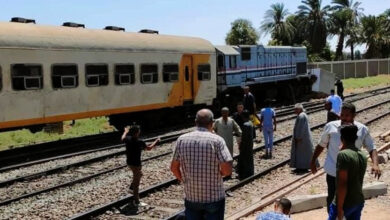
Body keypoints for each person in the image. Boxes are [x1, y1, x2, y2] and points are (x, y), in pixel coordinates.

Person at [310, 102, 381, 212]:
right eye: (342, 115)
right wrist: (313, 160)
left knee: (351, 201)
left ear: (354, 115)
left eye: (347, 115)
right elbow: (321, 145)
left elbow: (372, 148)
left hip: (353, 174)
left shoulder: (362, 129)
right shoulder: (331, 127)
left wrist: (375, 164)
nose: (343, 118)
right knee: (332, 200)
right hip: (334, 172)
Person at [170, 109, 233, 220]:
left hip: (191, 198)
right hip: (213, 198)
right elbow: (227, 170)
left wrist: (183, 180)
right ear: (212, 123)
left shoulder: (181, 140)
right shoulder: (217, 140)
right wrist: (218, 174)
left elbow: (174, 168)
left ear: (195, 122)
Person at [328, 124, 367, 220]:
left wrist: (340, 208)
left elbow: (342, 183)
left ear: (342, 138)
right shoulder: (362, 155)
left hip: (345, 203)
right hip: (358, 201)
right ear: (355, 138)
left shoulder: (343, 155)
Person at [121, 125, 160, 207]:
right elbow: (149, 148)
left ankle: (131, 189)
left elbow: (122, 138)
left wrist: (125, 131)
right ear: (137, 132)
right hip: (136, 164)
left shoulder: (128, 139)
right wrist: (156, 141)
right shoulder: (140, 141)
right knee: (136, 184)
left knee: (139, 175)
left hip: (130, 163)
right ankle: (137, 201)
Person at [290, 104, 315, 173]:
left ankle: (302, 167)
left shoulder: (301, 116)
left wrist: (299, 137)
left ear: (300, 109)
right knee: (303, 153)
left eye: (295, 109)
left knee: (301, 153)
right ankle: (301, 167)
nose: (294, 111)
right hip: (303, 137)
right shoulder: (302, 115)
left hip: (302, 138)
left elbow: (301, 128)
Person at [237, 110, 254, 180]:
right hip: (250, 144)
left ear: (243, 116)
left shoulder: (245, 125)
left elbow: (244, 138)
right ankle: (250, 173)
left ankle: (244, 175)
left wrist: (241, 146)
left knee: (244, 160)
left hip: (245, 146)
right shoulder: (250, 123)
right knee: (249, 159)